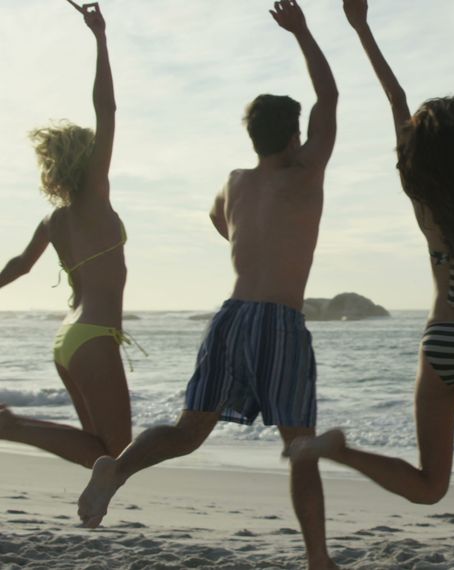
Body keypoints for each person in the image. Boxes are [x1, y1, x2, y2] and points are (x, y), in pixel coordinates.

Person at [77, 1, 340, 568]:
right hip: (278, 321)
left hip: (231, 316)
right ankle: (319, 559)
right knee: (300, 449)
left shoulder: (235, 181)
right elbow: (331, 98)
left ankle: (116, 468)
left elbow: (221, 223)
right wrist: (303, 31)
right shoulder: (306, 171)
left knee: (188, 430)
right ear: (294, 136)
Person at [285, 0, 454, 515]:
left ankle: (341, 451)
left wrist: (359, 26)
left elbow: (395, 96)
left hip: (440, 340)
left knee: (430, 486)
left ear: (421, 150)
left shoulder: (421, 196)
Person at [0, 2, 134, 470]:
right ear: (87, 158)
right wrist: (100, 38)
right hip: (94, 335)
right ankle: (10, 428)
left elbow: (19, 265)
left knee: (100, 447)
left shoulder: (54, 220)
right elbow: (108, 109)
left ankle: (10, 426)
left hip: (68, 339)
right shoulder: (94, 198)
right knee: (117, 452)